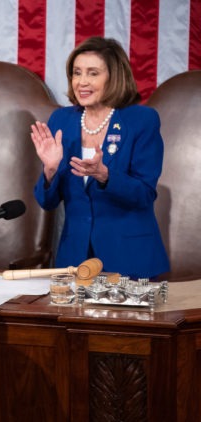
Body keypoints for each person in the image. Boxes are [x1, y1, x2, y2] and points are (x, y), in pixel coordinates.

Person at [30, 36, 169, 279]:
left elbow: (145, 193)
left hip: (129, 259)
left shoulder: (141, 120)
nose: (82, 82)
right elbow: (47, 202)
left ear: (114, 78)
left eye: (93, 73)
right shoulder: (61, 120)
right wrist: (50, 171)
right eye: (77, 73)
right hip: (75, 261)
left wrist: (105, 176)